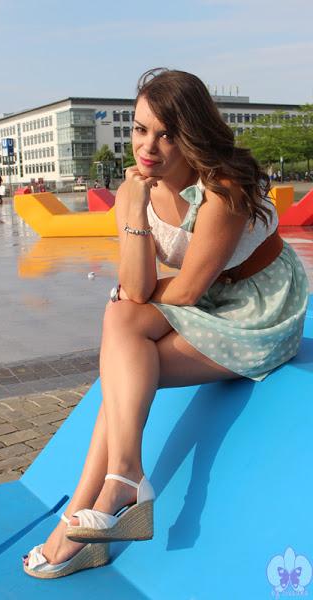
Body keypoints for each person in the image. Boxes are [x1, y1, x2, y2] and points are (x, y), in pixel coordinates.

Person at [23, 68, 309, 579]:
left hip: (258, 309)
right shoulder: (136, 190)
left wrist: (130, 298)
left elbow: (185, 291)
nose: (147, 147)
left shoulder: (222, 188)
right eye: (139, 129)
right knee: (123, 345)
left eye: (166, 134)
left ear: (192, 134)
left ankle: (84, 518)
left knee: (123, 362)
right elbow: (135, 288)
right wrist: (132, 210)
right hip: (209, 301)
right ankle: (117, 486)